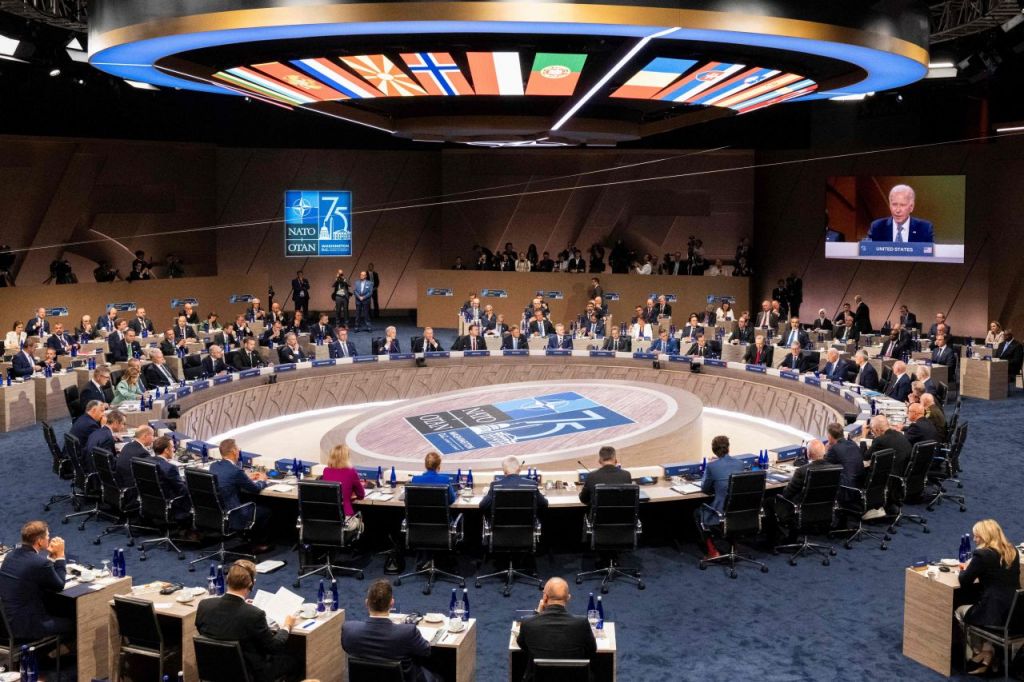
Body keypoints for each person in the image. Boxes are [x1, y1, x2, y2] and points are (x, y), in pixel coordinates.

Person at [196, 560, 297, 682]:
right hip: (250, 674)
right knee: (295, 660)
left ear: (227, 580)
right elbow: (273, 647)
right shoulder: (254, 615)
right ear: (251, 584)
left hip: (213, 670)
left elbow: (203, 631)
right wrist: (287, 626)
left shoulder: (204, 605)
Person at [956, 519, 1022, 676]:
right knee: (980, 609)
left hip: (994, 613)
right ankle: (988, 653)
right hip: (1015, 612)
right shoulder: (1013, 551)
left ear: (986, 536)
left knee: (960, 611)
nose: (974, 539)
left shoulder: (982, 555)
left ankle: (976, 654)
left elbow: (965, 581)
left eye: (977, 536)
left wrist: (963, 569)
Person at [342, 579, 439, 682]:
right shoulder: (408, 633)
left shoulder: (349, 630)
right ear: (392, 603)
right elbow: (426, 651)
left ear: (366, 603)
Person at [0, 520, 72, 640]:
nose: (49, 538)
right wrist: (60, 555)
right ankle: (50, 651)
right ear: (39, 541)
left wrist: (51, 558)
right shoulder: (39, 563)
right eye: (47, 536)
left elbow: (37, 571)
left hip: (5, 625)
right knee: (75, 623)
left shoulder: (10, 556)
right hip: (27, 627)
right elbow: (59, 585)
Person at [516, 577, 597, 681]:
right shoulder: (582, 623)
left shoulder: (528, 623)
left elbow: (523, 645)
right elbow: (591, 650)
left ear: (545, 597)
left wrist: (537, 613)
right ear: (568, 598)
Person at [210, 439, 272, 551]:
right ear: (234, 451)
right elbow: (255, 489)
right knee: (265, 510)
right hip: (234, 513)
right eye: (238, 449)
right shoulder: (235, 471)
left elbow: (229, 478)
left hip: (218, 511)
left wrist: (246, 478)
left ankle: (243, 537)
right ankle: (257, 544)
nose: (239, 451)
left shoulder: (214, 466)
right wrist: (262, 480)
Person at [764, 439, 831, 544]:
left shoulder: (802, 471)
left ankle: (772, 540)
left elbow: (787, 494)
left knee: (768, 501)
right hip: (823, 510)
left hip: (799, 510)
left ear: (808, 454)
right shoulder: (832, 467)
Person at [696, 435, 744, 558]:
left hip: (721, 511)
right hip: (739, 510)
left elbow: (705, 488)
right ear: (728, 448)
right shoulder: (740, 464)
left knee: (698, 513)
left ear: (714, 450)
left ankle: (713, 551)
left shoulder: (711, 466)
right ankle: (734, 546)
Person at [864, 415, 912, 510]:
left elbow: (865, 456)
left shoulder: (880, 440)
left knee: (861, 470)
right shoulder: (899, 435)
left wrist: (863, 436)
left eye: (872, 431)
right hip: (903, 475)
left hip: (891, 479)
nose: (873, 433)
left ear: (877, 430)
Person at [480, 455, 548, 517]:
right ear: (519, 469)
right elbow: (544, 504)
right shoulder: (532, 484)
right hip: (525, 525)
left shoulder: (495, 485)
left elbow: (483, 505)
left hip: (501, 525)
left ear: (504, 471)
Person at [867, 184, 934, 243]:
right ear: (890, 205)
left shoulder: (925, 229)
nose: (898, 210)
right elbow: (867, 250)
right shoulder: (877, 227)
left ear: (911, 207)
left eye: (902, 205)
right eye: (894, 204)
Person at [321, 444, 366, 519]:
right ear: (346, 458)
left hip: (328, 515)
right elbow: (361, 495)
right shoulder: (351, 472)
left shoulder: (326, 471)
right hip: (345, 516)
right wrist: (348, 497)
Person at [824, 422, 864, 501]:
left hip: (845, 491)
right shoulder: (853, 444)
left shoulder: (833, 449)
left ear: (829, 436)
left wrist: (826, 452)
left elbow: (823, 467)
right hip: (859, 486)